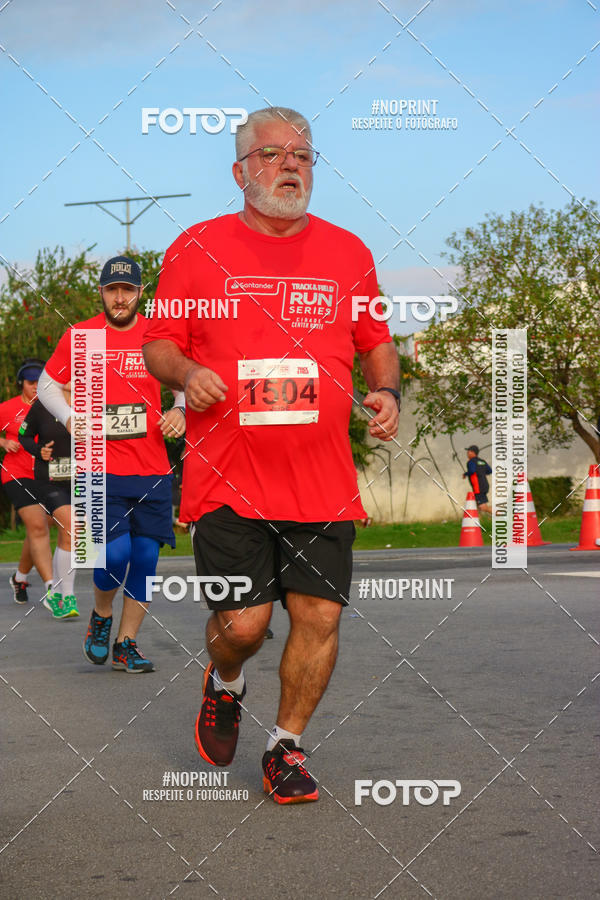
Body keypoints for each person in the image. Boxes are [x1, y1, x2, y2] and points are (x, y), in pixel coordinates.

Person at [143, 106, 400, 803]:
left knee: (319, 616)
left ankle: (285, 746)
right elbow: (158, 343)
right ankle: (225, 679)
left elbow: (375, 339)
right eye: (273, 154)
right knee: (244, 627)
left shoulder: (348, 252)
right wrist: (185, 374)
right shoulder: (196, 247)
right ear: (240, 170)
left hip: (321, 479)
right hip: (229, 476)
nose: (291, 165)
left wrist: (387, 391)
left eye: (304, 155)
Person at [38, 256, 186, 672]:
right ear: (101, 292)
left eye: (127, 290)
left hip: (152, 469)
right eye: (112, 290)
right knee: (114, 554)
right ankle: (102, 616)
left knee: (145, 559)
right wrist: (69, 418)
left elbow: (185, 381)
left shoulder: (159, 335)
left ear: (140, 293)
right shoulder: (82, 335)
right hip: (96, 468)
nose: (119, 298)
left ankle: (127, 643)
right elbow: (49, 385)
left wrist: (181, 409)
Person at [18, 383, 79, 619]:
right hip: (50, 480)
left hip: (82, 480)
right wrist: (38, 450)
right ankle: (68, 597)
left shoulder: (91, 402)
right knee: (71, 528)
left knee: (70, 534)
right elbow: (24, 436)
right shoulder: (44, 404)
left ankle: (55, 592)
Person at [0, 358, 54, 604]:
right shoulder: (8, 408)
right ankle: (54, 590)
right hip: (16, 475)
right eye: (31, 382)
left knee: (39, 528)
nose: (36, 386)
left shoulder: (52, 406)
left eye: (40, 381)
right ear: (22, 383)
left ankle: (20, 577)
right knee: (38, 527)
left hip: (47, 475)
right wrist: (3, 442)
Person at [463, 445, 492, 513]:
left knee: (483, 507)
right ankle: (477, 521)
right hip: (485, 485)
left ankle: (502, 515)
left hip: (478, 488)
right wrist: (481, 473)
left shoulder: (471, 462)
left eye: (469, 451)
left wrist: (465, 474)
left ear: (473, 452)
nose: (467, 453)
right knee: (476, 505)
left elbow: (472, 471)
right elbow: (490, 471)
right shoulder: (482, 461)